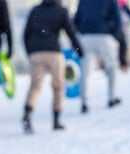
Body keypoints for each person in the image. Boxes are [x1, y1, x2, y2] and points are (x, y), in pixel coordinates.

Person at [22, 0, 84, 133]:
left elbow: (26, 34)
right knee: (58, 86)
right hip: (54, 52)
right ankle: (56, 120)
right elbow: (70, 32)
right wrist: (79, 50)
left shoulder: (35, 10)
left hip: (36, 53)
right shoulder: (61, 11)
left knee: (35, 86)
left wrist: (30, 52)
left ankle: (28, 113)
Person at [74, 0, 130, 113]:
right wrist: (115, 36)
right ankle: (111, 98)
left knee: (85, 71)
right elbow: (117, 19)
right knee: (111, 68)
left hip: (86, 37)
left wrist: (79, 34)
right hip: (105, 36)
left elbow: (77, 18)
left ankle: (84, 102)